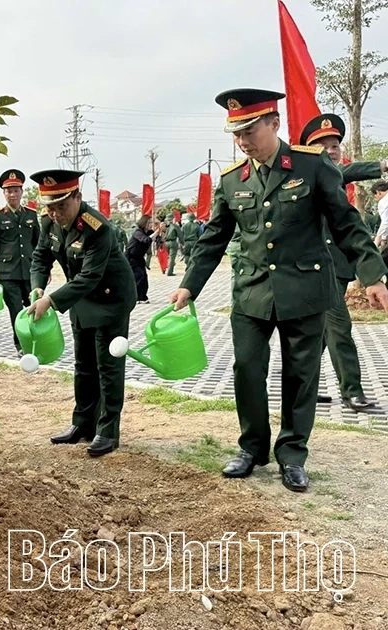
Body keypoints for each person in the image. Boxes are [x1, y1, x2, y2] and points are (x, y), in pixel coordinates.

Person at [171, 88, 388, 493]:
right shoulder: (232, 179)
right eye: (236, 133)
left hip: (305, 289)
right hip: (252, 292)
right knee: (247, 371)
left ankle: (292, 454)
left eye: (250, 130)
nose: (242, 140)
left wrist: (373, 275)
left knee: (300, 375)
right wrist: (188, 286)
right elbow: (214, 238)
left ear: (274, 123)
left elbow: (347, 225)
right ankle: (252, 449)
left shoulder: (312, 167)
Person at [28, 170, 137, 456]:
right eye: (49, 207)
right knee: (84, 364)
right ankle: (83, 424)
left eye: (61, 205)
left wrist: (51, 301)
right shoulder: (48, 223)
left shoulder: (96, 227)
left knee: (108, 366)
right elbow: (41, 257)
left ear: (78, 197)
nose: (55, 213)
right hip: (80, 299)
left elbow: (90, 276)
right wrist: (38, 288)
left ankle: (108, 431)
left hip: (111, 299)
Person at [300, 112, 387, 410]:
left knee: (319, 335)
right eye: (322, 146)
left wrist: (381, 166)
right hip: (313, 270)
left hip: (337, 266)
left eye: (335, 145)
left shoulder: (335, 174)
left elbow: (348, 172)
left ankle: (300, 389)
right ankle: (352, 390)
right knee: (339, 328)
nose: (330, 150)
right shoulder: (303, 177)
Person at [0, 169, 39, 356]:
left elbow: (39, 245)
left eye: (16, 190)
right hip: (8, 273)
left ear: (22, 192)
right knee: (16, 311)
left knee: (35, 308)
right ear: (4, 193)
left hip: (31, 272)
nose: (13, 194)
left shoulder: (31, 215)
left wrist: (43, 272)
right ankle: (21, 346)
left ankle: (37, 341)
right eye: (9, 191)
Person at [125, 215, 154, 304]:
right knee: (137, 275)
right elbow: (146, 240)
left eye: (151, 222)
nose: (150, 224)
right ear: (143, 223)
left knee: (144, 277)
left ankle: (142, 297)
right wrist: (157, 232)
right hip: (131, 257)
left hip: (139, 257)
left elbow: (160, 239)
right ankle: (134, 297)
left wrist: (162, 230)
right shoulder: (138, 232)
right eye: (149, 222)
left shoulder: (149, 232)